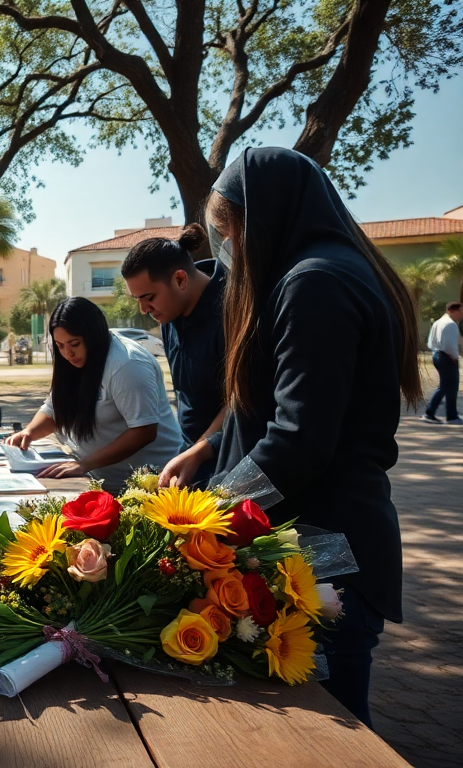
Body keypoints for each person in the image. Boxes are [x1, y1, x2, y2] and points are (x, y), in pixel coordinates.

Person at [160, 147, 422, 728]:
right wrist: (206, 448)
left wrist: (204, 512)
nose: (227, 252)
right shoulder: (318, 272)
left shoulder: (315, 283)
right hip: (316, 545)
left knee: (328, 733)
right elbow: (270, 397)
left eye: (228, 233)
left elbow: (299, 438)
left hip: (328, 554)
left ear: (264, 217)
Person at [3, 297, 183, 491]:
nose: (67, 353)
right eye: (60, 345)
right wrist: (28, 433)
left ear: (93, 336)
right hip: (99, 477)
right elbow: (55, 410)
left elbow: (143, 431)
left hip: (149, 485)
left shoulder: (128, 364)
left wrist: (84, 464)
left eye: (74, 343)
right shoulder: (73, 360)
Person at [121, 224, 227, 483]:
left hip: (230, 458)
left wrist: (200, 451)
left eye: (148, 297)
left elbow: (242, 399)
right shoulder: (169, 317)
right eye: (137, 299)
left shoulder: (232, 310)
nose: (144, 309)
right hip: (190, 457)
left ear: (180, 279)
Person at [422, 301, 463, 424]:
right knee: (448, 386)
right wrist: (455, 357)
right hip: (447, 356)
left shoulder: (438, 322)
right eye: (460, 311)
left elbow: (430, 341)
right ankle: (431, 413)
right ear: (451, 311)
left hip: (437, 354)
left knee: (449, 386)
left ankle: (451, 415)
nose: (461, 314)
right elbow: (449, 345)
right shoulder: (450, 324)